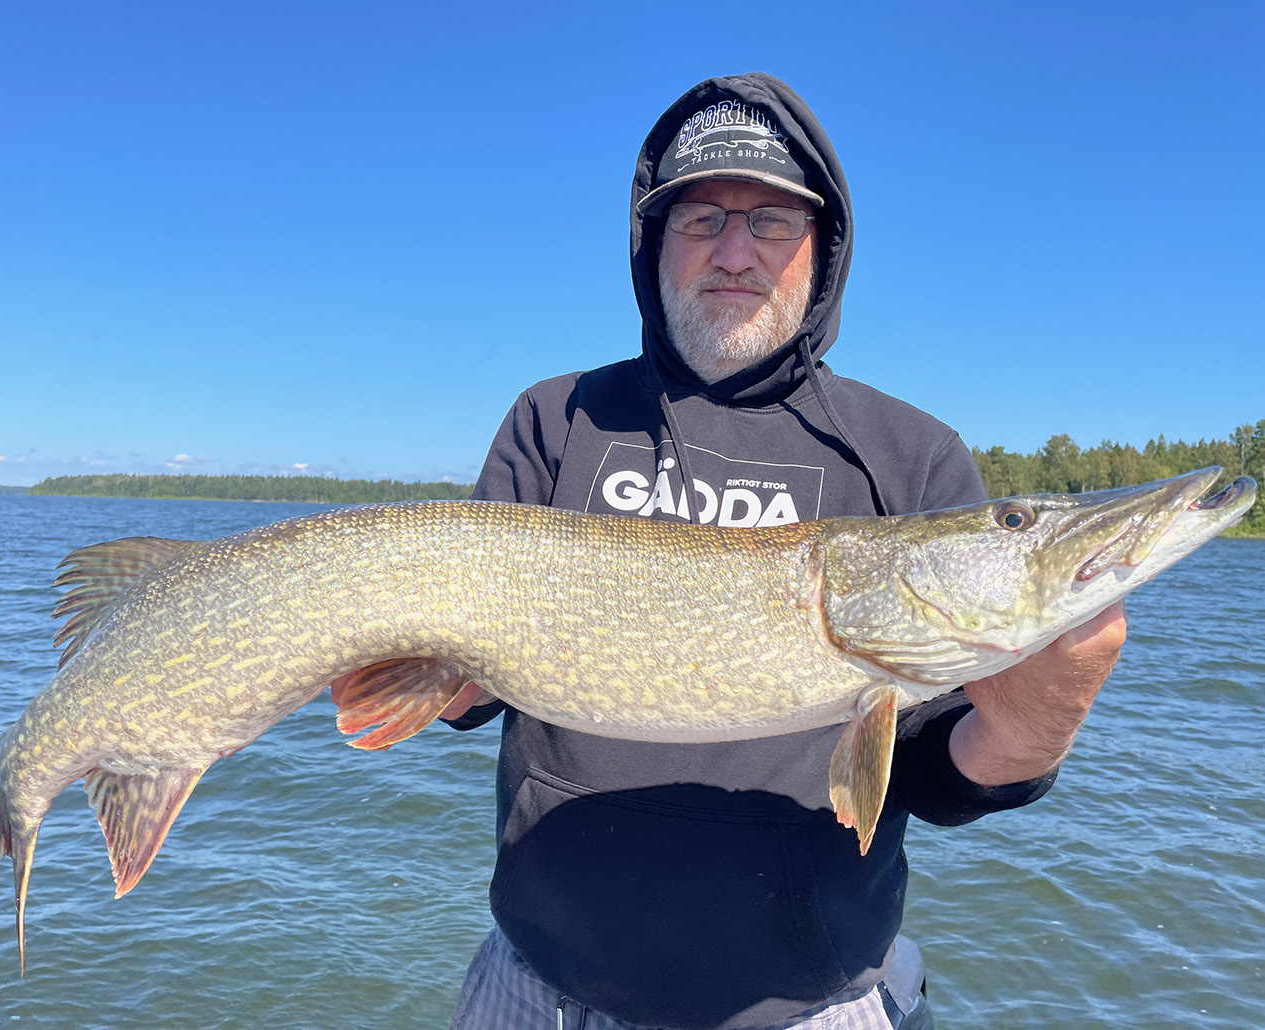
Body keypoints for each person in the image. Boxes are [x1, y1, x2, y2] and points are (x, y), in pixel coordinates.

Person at [442, 73, 1126, 1030]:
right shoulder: (557, 418)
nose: (733, 252)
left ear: (823, 246)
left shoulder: (910, 455)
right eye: (701, 218)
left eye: (770, 221)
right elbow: (466, 700)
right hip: (535, 987)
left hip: (807, 1007)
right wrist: (416, 668)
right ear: (653, 244)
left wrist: (1036, 723)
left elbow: (937, 776)